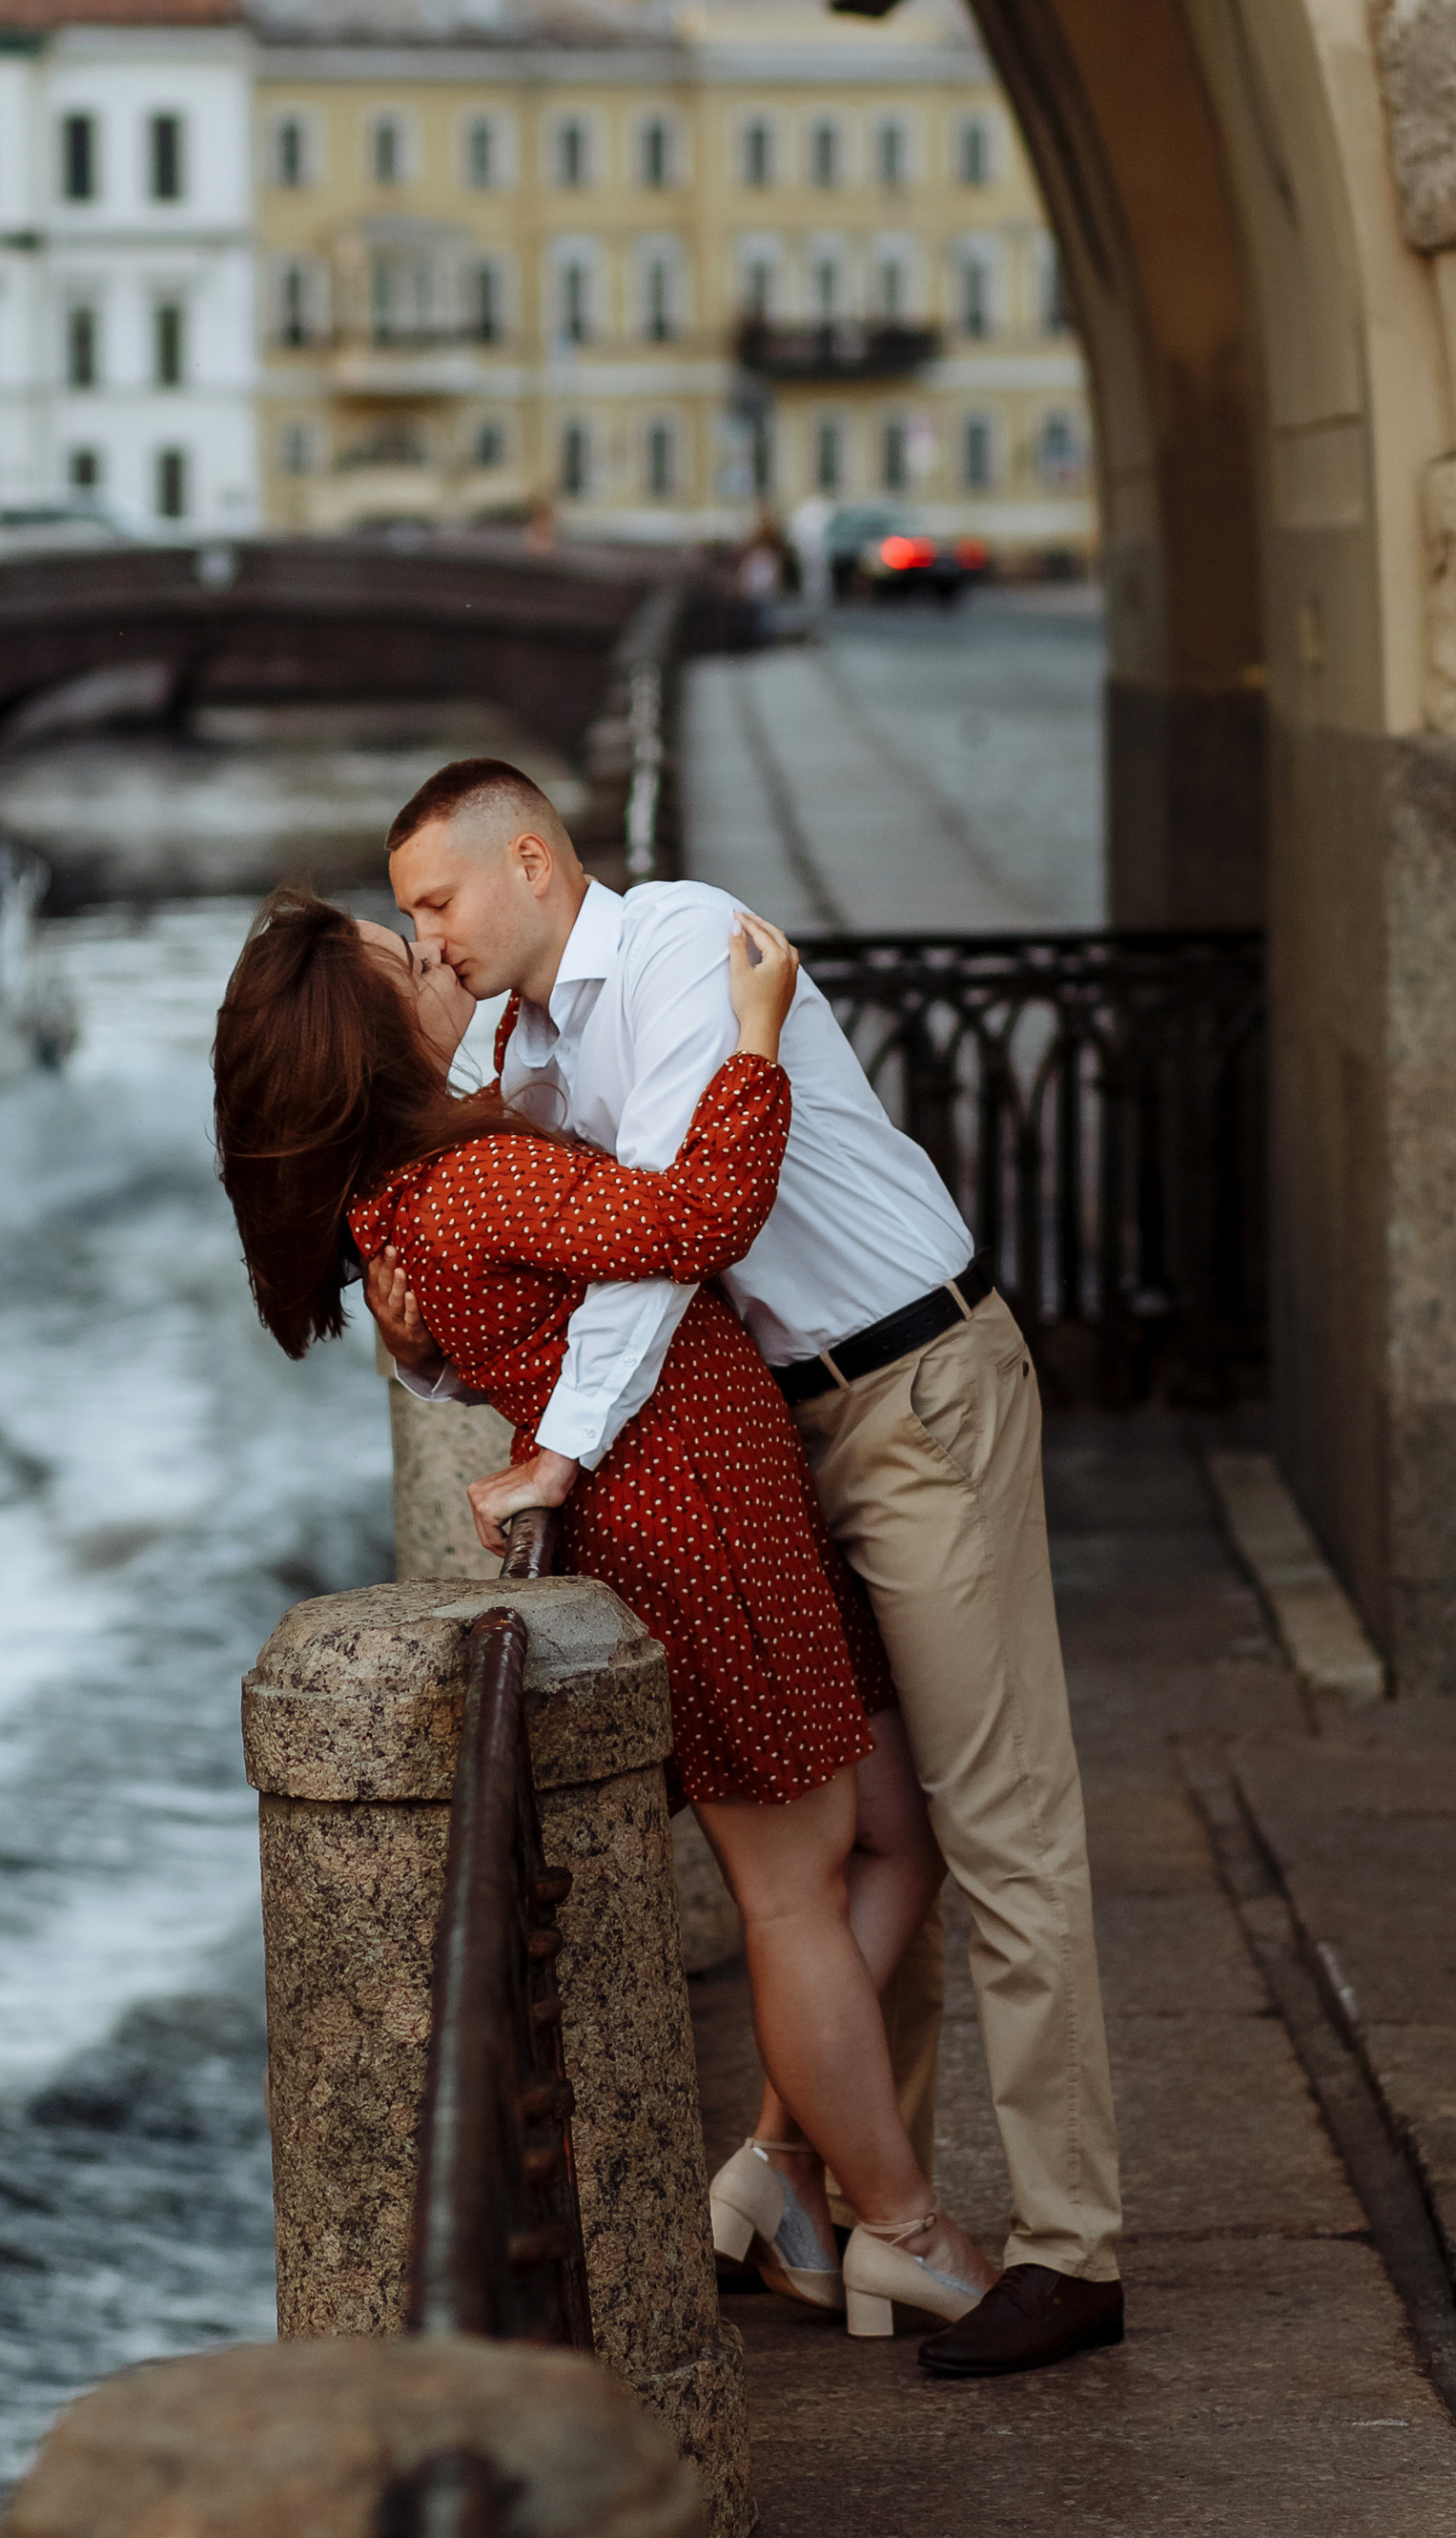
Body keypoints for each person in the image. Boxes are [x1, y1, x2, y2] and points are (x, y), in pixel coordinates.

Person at [370, 757, 1123, 2379]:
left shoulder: (686, 950)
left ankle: (1072, 2242)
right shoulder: (529, 1039)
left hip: (910, 1392)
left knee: (997, 1824)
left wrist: (564, 1449)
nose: (422, 937)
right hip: (786, 1435)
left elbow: (668, 1241)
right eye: (404, 923)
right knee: (877, 1828)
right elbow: (516, 1259)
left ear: (529, 857)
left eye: (435, 903)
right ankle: (856, 2207)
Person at [212, 886, 994, 2336]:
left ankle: (772, 2169)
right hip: (699, 1518)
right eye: (402, 957)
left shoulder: (420, 1195)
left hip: (722, 1500)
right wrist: (751, 1040)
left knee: (896, 1839)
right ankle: (905, 2225)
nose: (431, 952)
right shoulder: (473, 1185)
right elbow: (698, 1213)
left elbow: (476, 1329)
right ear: (372, 1035)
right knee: (796, 1888)